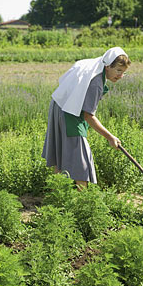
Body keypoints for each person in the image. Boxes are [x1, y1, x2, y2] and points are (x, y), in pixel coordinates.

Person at [42, 47, 131, 190]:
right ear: (108, 66)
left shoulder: (93, 65)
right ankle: (82, 200)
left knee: (61, 155)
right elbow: (88, 116)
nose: (120, 76)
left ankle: (57, 196)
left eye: (124, 72)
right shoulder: (96, 82)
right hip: (69, 114)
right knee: (81, 160)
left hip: (58, 106)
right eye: (118, 71)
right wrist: (110, 137)